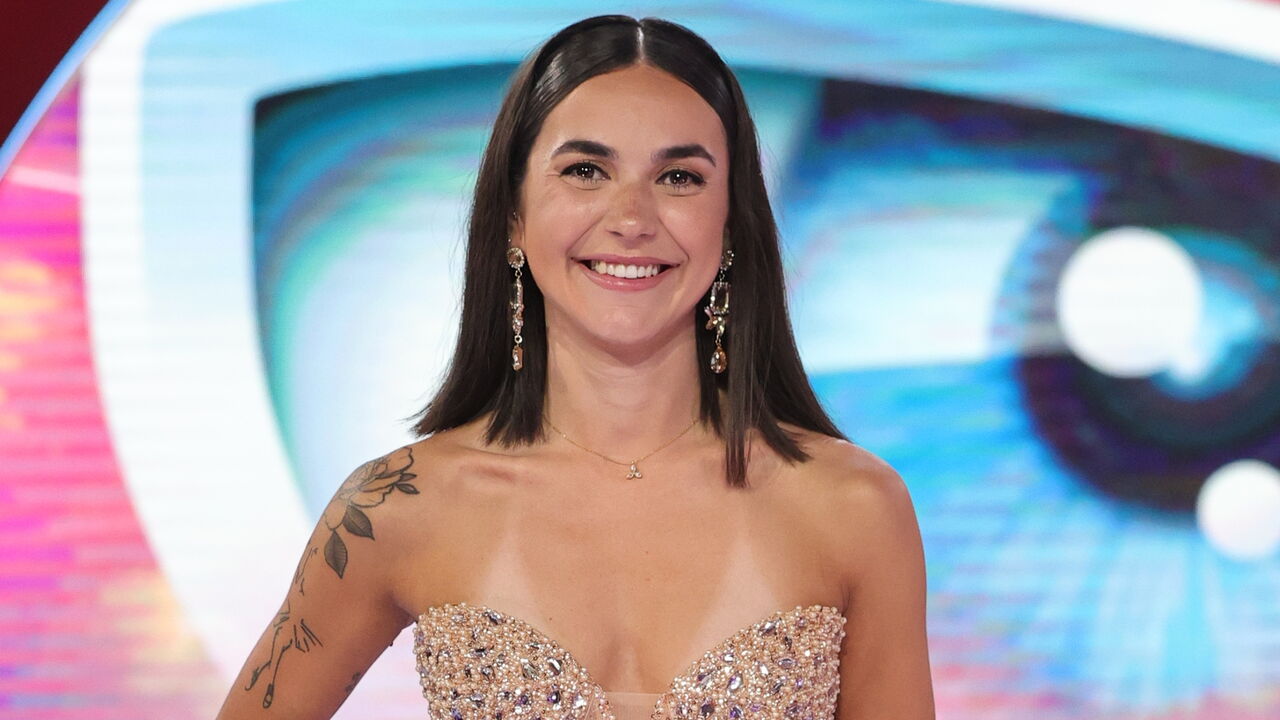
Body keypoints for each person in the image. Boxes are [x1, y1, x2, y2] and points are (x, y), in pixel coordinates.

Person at [215, 14, 934, 720]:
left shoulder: (854, 507)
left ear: (730, 224)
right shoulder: (398, 507)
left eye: (679, 177)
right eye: (585, 171)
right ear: (514, 216)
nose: (632, 219)